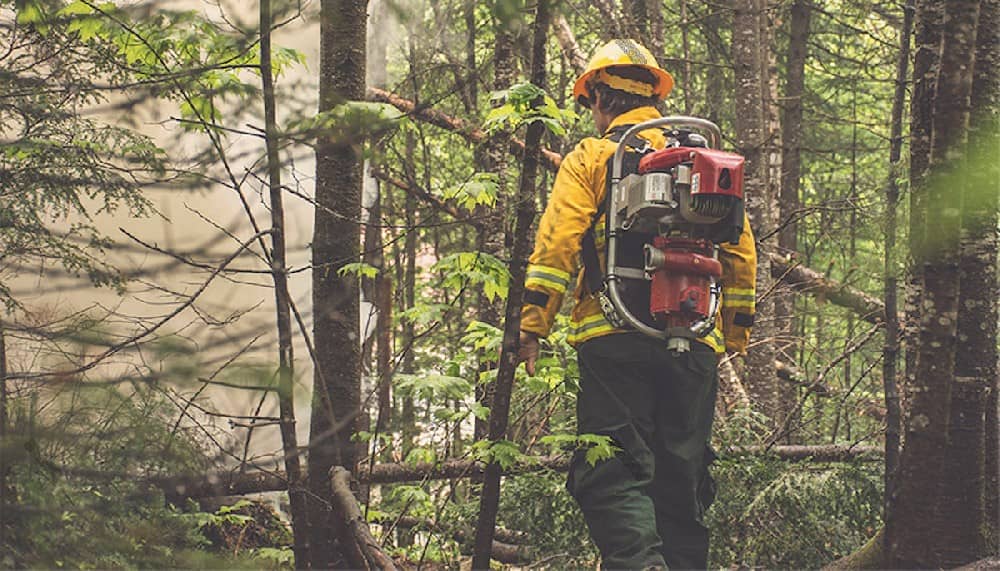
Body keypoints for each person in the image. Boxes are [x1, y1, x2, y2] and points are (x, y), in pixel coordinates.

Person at [516, 39, 757, 570]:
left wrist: (533, 324)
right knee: (683, 478)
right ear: (653, 94)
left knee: (611, 473)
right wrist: (732, 336)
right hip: (694, 342)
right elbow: (741, 251)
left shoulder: (594, 156)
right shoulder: (704, 162)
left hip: (612, 335)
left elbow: (557, 243)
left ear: (600, 96)